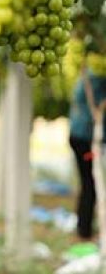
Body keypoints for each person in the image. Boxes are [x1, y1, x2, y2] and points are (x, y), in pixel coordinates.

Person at [69, 69, 106, 241]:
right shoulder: (98, 77)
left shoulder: (88, 74)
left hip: (80, 136)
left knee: (88, 183)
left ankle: (84, 228)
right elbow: (98, 107)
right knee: (90, 184)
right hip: (86, 139)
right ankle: (84, 231)